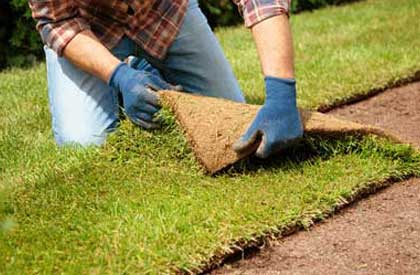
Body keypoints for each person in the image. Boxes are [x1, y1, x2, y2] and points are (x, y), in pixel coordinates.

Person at [28, 0, 303, 159]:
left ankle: (148, 68)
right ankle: (127, 75)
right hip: (90, 30)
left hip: (163, 13)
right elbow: (58, 22)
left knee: (230, 124)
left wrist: (281, 93)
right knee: (84, 144)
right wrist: (119, 76)